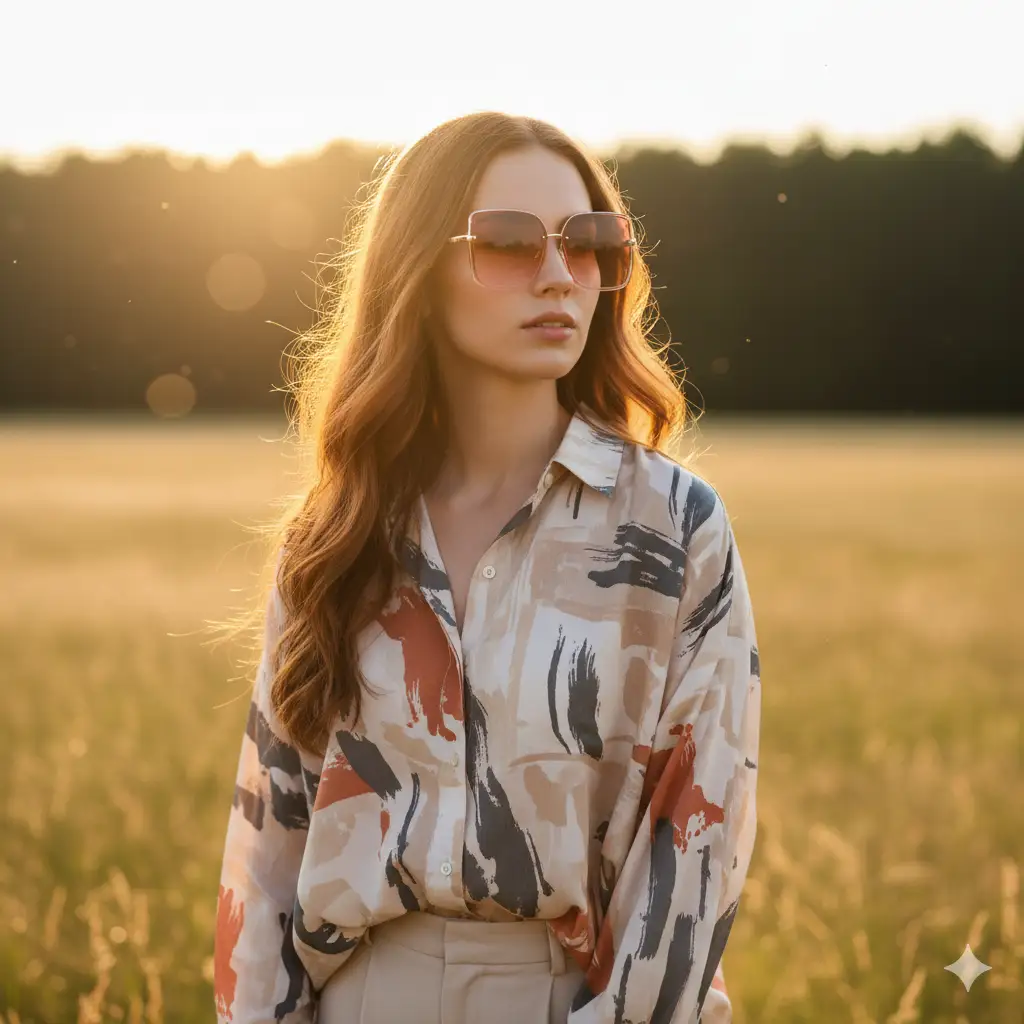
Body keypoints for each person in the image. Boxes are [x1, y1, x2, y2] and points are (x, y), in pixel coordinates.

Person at [213, 110, 761, 1024]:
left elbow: (696, 849)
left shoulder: (672, 529)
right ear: (418, 272)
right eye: (508, 242)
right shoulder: (340, 530)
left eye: (588, 243)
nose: (558, 274)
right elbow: (269, 839)